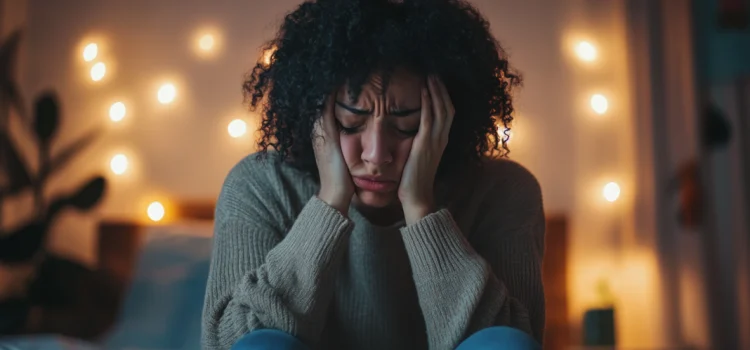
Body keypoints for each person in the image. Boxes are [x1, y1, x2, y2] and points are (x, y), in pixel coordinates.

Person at [202, 0, 545, 349]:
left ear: (447, 124)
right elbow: (231, 341)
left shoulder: (504, 192)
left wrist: (421, 208)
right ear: (314, 116)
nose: (377, 155)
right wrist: (330, 202)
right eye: (351, 124)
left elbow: (508, 337)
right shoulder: (260, 185)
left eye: (408, 126)